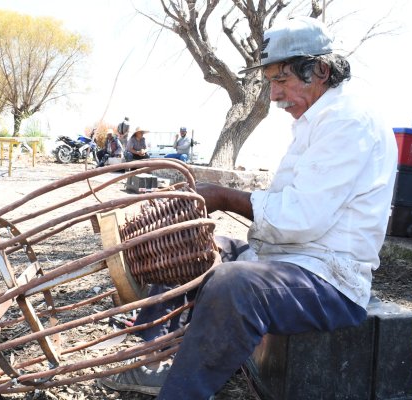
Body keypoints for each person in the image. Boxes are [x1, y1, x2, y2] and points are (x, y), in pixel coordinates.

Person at [100, 16, 397, 399]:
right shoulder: (318, 119)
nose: (273, 95)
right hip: (294, 259)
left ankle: (181, 392)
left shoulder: (349, 122)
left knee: (234, 284)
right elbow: (294, 208)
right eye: (271, 82)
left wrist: (224, 197)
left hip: (330, 281)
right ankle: (145, 359)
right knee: (191, 244)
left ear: (320, 70)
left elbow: (300, 218)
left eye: (280, 80)